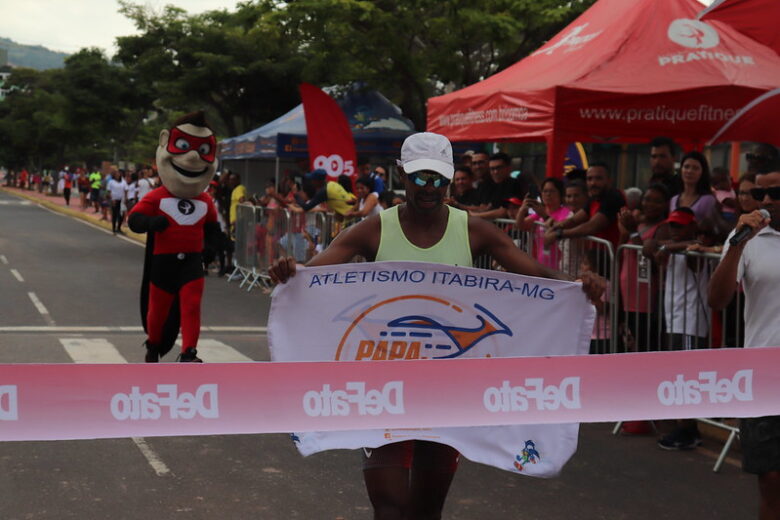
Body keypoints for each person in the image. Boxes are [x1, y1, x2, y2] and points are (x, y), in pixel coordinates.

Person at [268, 131, 603, 520]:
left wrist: (579, 285)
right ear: (402, 175)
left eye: (439, 179)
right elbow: (312, 275)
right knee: (390, 507)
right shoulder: (376, 228)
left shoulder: (472, 229)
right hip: (384, 391)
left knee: (426, 510)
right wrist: (290, 272)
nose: (430, 188)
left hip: (448, 392)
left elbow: (538, 276)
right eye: (420, 178)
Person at [709, 169, 780, 520]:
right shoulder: (748, 239)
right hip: (765, 380)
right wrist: (737, 244)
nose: (766, 201)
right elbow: (717, 299)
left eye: (775, 193)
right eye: (760, 193)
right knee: (770, 480)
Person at [128, 110, 220, 363]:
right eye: (182, 145)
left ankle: (189, 351)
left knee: (191, 306)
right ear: (165, 141)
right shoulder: (157, 196)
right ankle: (154, 344)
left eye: (202, 149)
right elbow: (134, 221)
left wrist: (210, 247)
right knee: (158, 310)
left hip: (191, 262)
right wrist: (153, 223)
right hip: (163, 262)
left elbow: (213, 228)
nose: (192, 156)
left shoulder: (205, 201)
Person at [546, 162, 625, 248]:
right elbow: (574, 220)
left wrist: (558, 234)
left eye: (598, 178)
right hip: (596, 256)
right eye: (589, 179)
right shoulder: (594, 198)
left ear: (609, 180)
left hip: (611, 257)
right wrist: (556, 227)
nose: (593, 183)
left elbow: (591, 226)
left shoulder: (613, 197)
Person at [514, 177, 572, 269]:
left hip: (559, 268)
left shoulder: (566, 213)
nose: (548, 194)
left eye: (552, 191)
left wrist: (544, 215)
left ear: (560, 194)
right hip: (541, 266)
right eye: (545, 191)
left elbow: (560, 229)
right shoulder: (539, 212)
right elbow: (520, 226)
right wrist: (522, 210)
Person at [469, 152, 528, 220]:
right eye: (492, 169)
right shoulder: (486, 185)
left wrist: (475, 215)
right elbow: (483, 207)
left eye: (499, 168)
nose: (495, 172)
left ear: (508, 168)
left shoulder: (514, 184)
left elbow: (503, 212)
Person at [669, 151, 719, 225]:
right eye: (686, 167)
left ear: (702, 172)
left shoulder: (708, 200)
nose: (689, 171)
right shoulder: (673, 199)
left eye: (695, 168)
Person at [107, 168, 128, 234]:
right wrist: (112, 199)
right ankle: (114, 229)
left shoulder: (123, 182)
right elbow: (109, 191)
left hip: (121, 200)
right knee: (115, 214)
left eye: (118, 174)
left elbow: (126, 190)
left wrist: (125, 198)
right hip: (114, 200)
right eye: (116, 174)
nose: (118, 175)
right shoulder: (111, 182)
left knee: (121, 215)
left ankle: (119, 228)